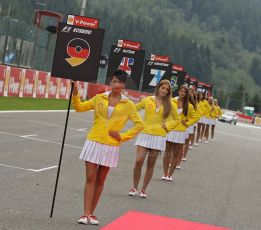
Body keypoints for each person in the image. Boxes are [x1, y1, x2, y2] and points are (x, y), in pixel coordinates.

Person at [72, 70, 144, 225]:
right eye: (114, 81)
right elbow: (79, 107)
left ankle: (92, 214)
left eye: (120, 82)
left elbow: (140, 124)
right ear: (111, 82)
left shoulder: (129, 105)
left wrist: (123, 136)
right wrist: (76, 93)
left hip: (111, 145)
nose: (116, 84)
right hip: (94, 141)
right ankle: (85, 214)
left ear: (124, 84)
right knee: (90, 178)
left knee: (100, 180)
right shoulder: (100, 98)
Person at [128, 80, 179, 198]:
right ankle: (134, 187)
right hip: (144, 134)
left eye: (167, 89)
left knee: (151, 164)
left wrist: (167, 127)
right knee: (139, 160)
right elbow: (133, 109)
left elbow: (176, 119)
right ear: (158, 88)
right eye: (163, 88)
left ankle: (143, 189)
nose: (164, 91)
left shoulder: (169, 105)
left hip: (158, 136)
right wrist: (138, 122)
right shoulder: (147, 100)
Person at [162, 85, 197, 180]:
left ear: (187, 94)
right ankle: (165, 173)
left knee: (176, 153)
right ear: (178, 92)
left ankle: (170, 175)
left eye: (185, 92)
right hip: (170, 129)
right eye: (181, 91)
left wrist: (187, 123)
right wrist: (165, 123)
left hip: (180, 131)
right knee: (167, 152)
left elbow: (195, 117)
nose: (183, 93)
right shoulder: (171, 101)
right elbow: (164, 111)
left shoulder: (189, 106)